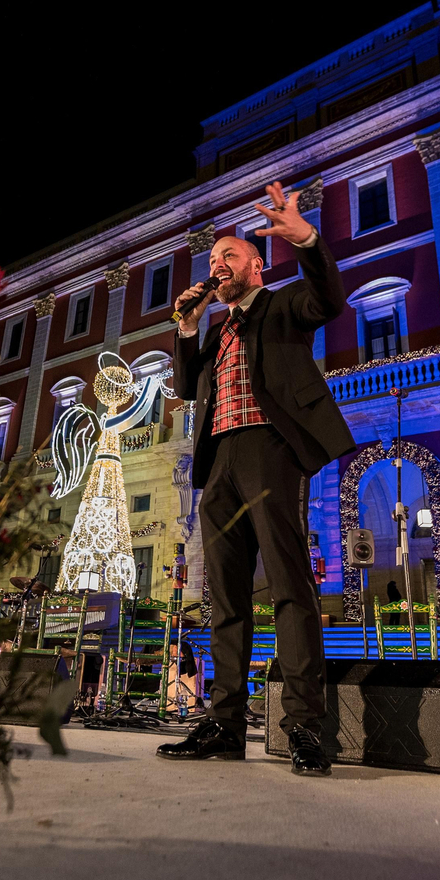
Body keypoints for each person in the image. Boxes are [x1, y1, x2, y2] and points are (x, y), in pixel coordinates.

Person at [157, 181, 355, 776]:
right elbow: (187, 387)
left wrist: (310, 242)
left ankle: (303, 727)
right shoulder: (213, 330)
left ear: (257, 265)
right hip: (217, 459)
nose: (218, 267)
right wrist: (187, 328)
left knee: (292, 588)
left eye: (230, 257)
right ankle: (222, 722)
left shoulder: (284, 303)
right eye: (213, 261)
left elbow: (330, 300)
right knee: (225, 596)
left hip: (270, 448)